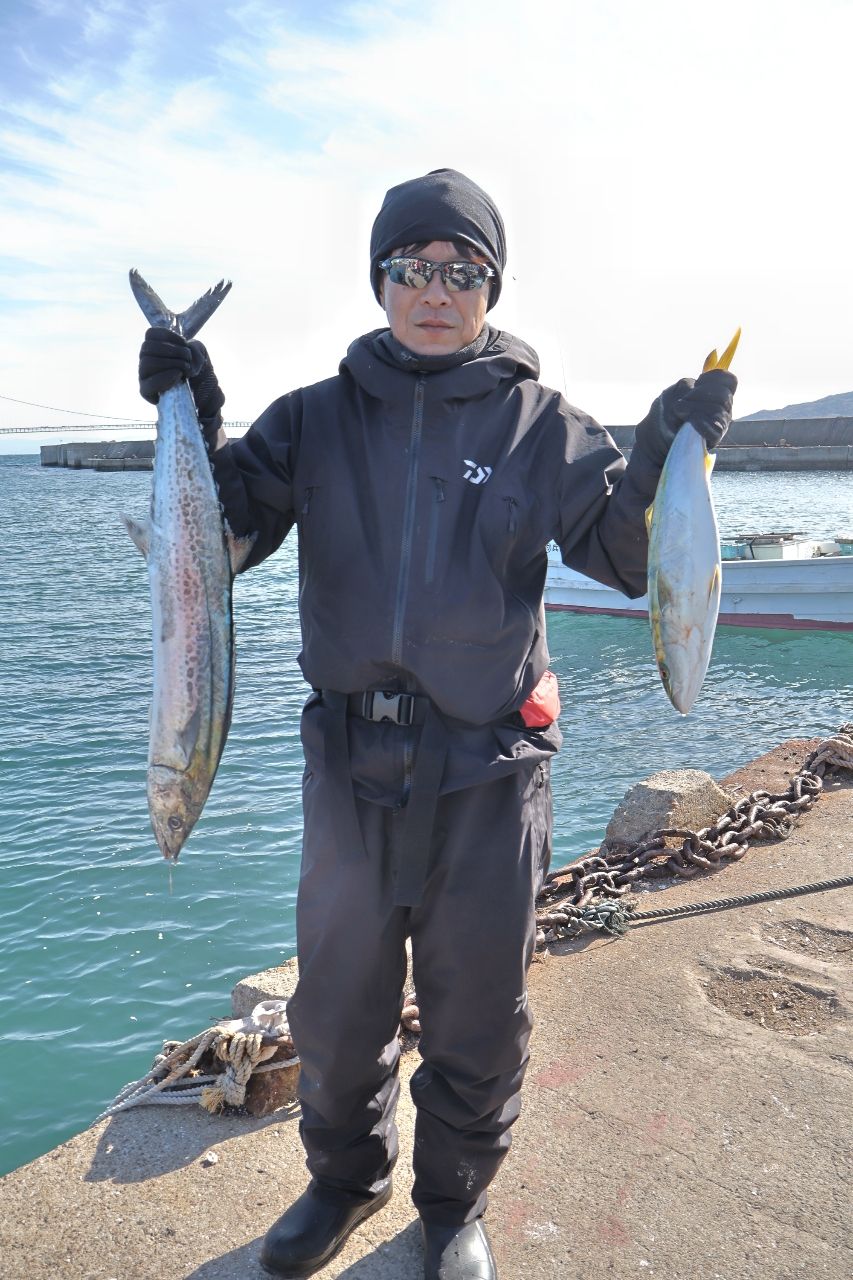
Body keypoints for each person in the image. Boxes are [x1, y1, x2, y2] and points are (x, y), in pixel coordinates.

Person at [138, 168, 736, 1280]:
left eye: (462, 270)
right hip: (350, 759)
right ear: (379, 280)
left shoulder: (540, 423)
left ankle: (452, 1201)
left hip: (489, 768)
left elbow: (620, 551)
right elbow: (222, 541)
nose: (435, 287)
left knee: (477, 1009)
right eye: (413, 266)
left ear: (490, 289)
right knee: (335, 1004)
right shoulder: (313, 416)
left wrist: (663, 443)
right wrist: (192, 409)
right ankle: (342, 1178)